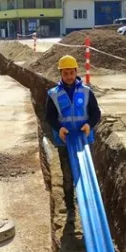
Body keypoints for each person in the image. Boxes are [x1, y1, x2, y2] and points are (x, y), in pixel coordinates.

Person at [45, 55, 101, 209]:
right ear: (61, 74)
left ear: (76, 71)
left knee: (86, 173)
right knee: (68, 174)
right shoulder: (53, 94)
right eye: (65, 73)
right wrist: (59, 128)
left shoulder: (86, 91)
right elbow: (49, 116)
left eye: (71, 72)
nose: (69, 76)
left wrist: (89, 125)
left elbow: (96, 113)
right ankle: (70, 206)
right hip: (64, 140)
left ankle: (87, 204)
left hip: (84, 140)